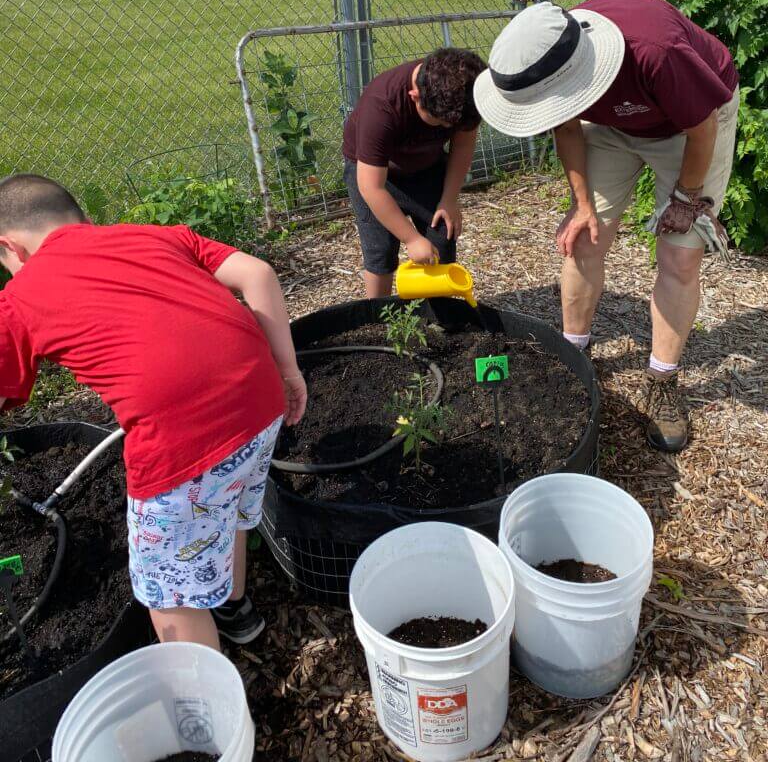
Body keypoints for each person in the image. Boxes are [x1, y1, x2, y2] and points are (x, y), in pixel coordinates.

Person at [0, 174, 306, 649]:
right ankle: (235, 611)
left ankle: (209, 712)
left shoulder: (18, 300)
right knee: (220, 511)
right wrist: (288, 371)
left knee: (169, 597)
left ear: (12, 249)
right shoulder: (154, 235)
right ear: (84, 220)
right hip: (261, 400)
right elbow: (258, 273)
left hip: (181, 442)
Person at [473, 0, 739, 452]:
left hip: (690, 127)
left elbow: (704, 127)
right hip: (614, 126)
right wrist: (582, 205)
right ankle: (573, 351)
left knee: (679, 258)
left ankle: (662, 382)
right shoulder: (550, 56)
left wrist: (685, 198)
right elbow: (567, 126)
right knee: (583, 238)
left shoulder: (655, 52)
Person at [343, 47, 486, 297]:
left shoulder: (464, 91)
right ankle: (379, 320)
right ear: (415, 96)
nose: (446, 128)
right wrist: (411, 239)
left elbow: (463, 145)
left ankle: (438, 318)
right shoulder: (382, 106)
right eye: (441, 123)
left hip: (427, 167)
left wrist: (450, 199)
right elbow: (370, 186)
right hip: (375, 175)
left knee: (442, 239)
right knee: (381, 253)